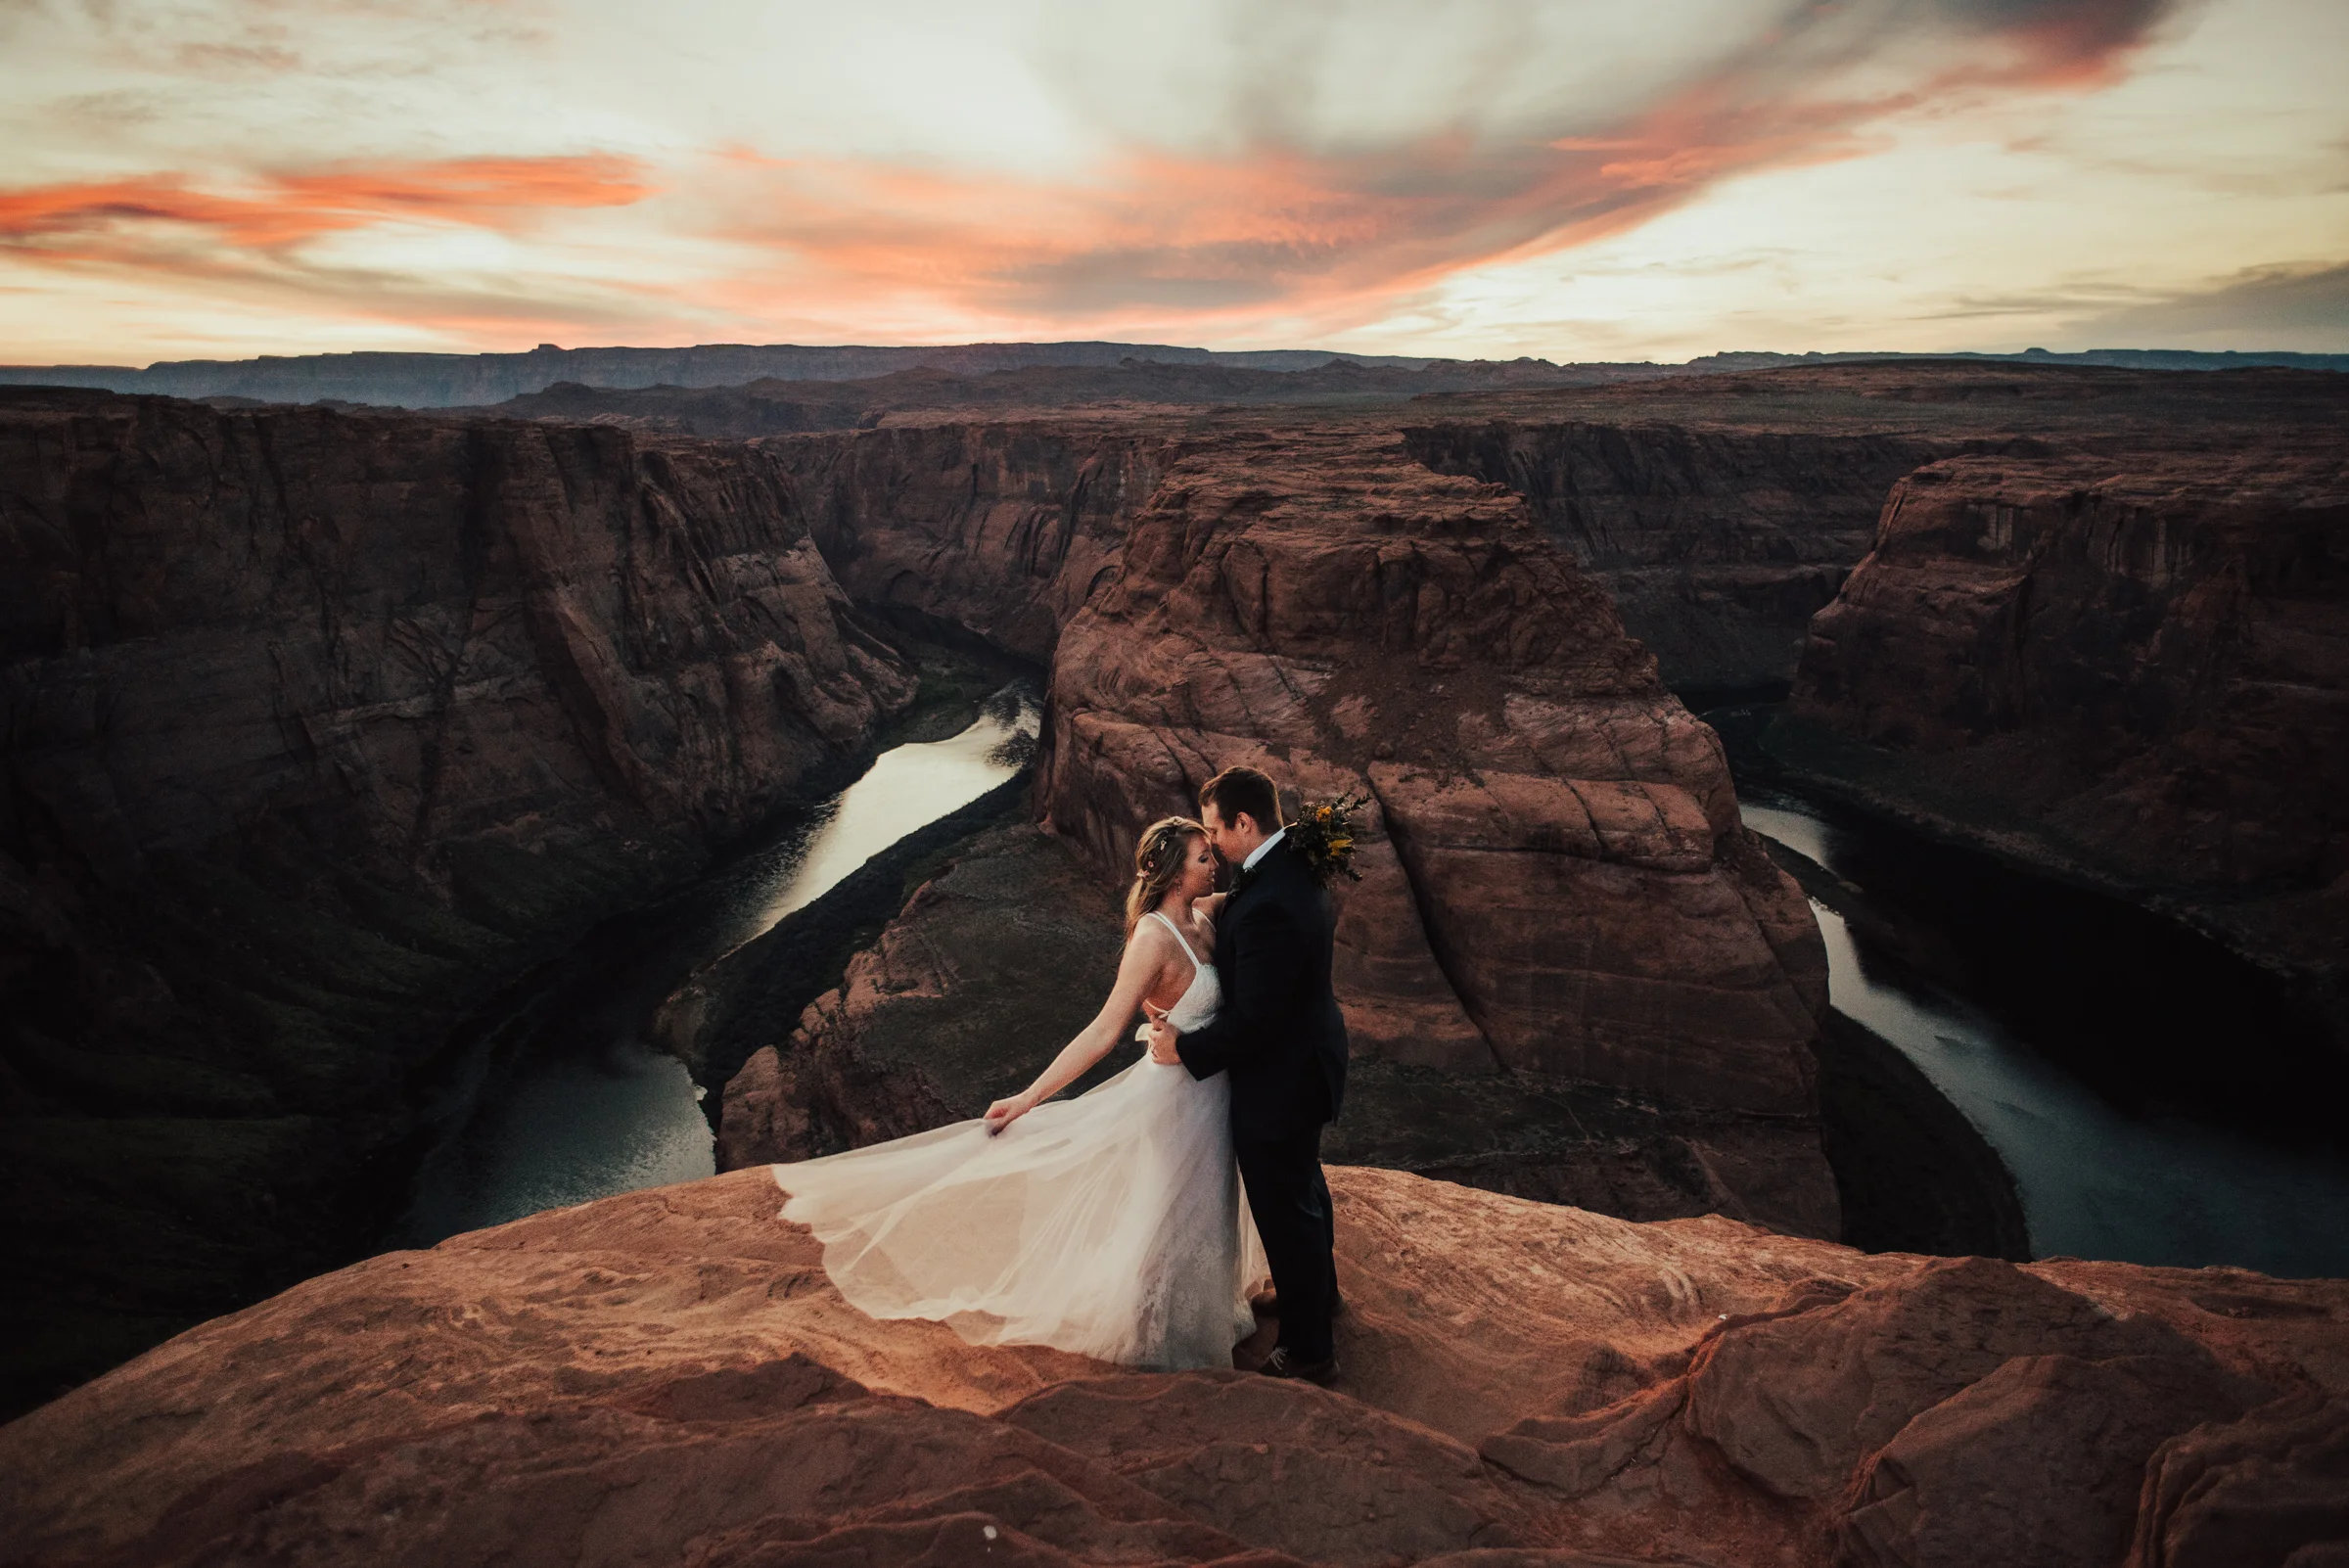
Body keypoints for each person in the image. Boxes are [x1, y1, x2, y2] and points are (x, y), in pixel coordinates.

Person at [768, 816, 1266, 1371]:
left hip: (1212, 1091)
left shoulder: (1205, 913)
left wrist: (1305, 845)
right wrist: (1029, 1097)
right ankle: (1161, 1332)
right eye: (1203, 858)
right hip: (1177, 1105)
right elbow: (1103, 1031)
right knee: (1174, 1215)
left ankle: (1208, 1313)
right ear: (1174, 874)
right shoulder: (1152, 939)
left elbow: (1262, 886)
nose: (1214, 865)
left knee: (1211, 1208)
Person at [1147, 764, 1349, 1385]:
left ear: (1244, 823)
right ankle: (1316, 1296)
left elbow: (1257, 1021)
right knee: (1305, 1188)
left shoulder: (1268, 901)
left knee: (1285, 1206)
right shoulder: (1290, 866)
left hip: (1281, 1078)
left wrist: (1188, 1049)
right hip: (1309, 1059)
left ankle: (1310, 1350)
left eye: (1216, 830)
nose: (1213, 845)